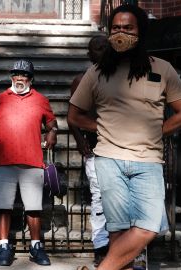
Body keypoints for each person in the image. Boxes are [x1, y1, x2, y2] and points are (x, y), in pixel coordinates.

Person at [68, 4, 181, 270]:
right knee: (117, 231)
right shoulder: (97, 72)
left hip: (148, 161)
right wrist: (100, 128)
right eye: (115, 28)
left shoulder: (163, 69)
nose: (121, 33)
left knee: (149, 227)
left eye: (128, 28)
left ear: (140, 32)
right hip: (109, 159)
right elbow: (74, 116)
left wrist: (156, 131)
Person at [0, 59, 58, 266]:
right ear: (11, 77)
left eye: (24, 75)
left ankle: (36, 246)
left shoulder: (41, 100)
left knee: (34, 208)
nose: (19, 78)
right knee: (3, 206)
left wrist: (52, 131)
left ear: (30, 79)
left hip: (32, 160)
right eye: (16, 74)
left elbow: (52, 122)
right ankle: (4, 245)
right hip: (3, 160)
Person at [68, 36, 110, 267]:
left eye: (105, 47)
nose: (102, 51)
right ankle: (101, 247)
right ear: (89, 54)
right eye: (97, 48)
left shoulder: (120, 78)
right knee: (100, 199)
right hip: (95, 148)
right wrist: (79, 140)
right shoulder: (81, 80)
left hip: (122, 147)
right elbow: (72, 115)